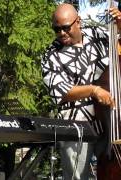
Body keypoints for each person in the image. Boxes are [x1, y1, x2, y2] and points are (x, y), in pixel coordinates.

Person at [41, 3, 121, 180]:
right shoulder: (51, 54)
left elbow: (118, 46)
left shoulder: (97, 36)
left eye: (66, 27)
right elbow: (60, 92)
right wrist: (93, 90)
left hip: (108, 124)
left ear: (79, 22)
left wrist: (119, 25)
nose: (61, 33)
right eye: (57, 29)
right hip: (75, 127)